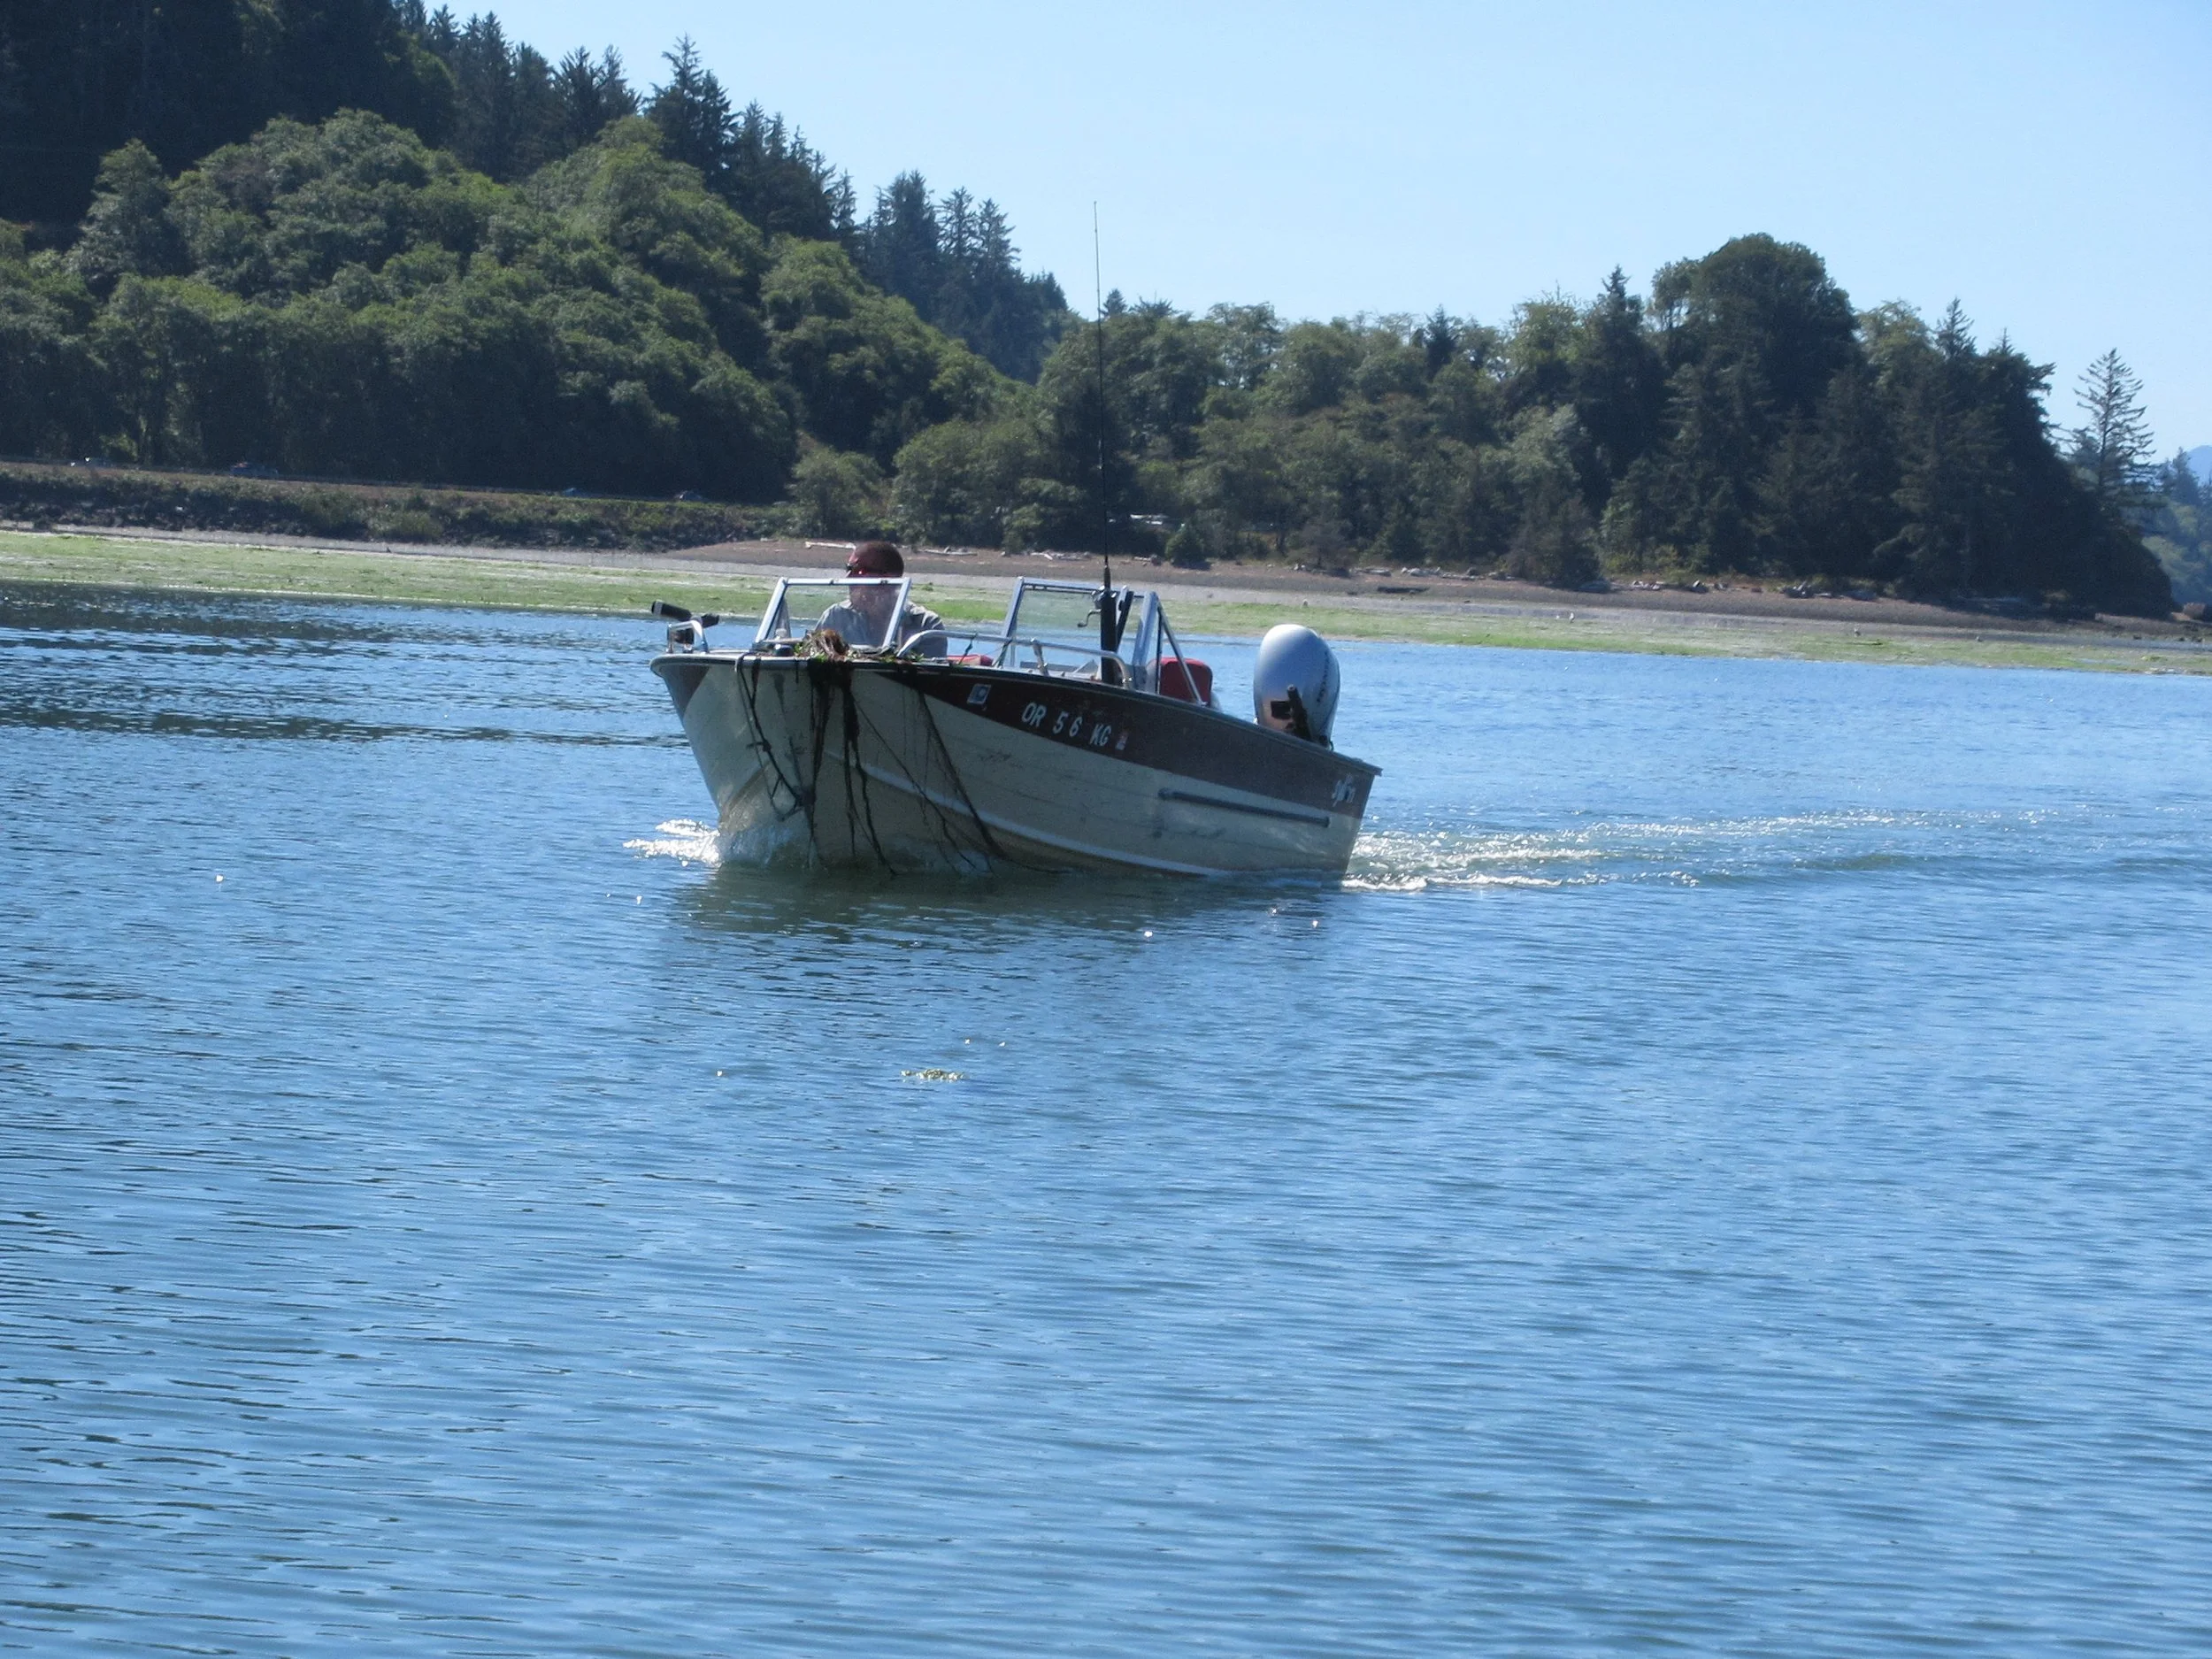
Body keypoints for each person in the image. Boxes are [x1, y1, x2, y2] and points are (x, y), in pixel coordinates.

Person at [815, 541, 945, 655]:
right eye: (848, 569)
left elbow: (928, 679)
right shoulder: (835, 616)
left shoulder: (926, 625)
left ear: (888, 579)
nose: (848, 578)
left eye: (858, 571)